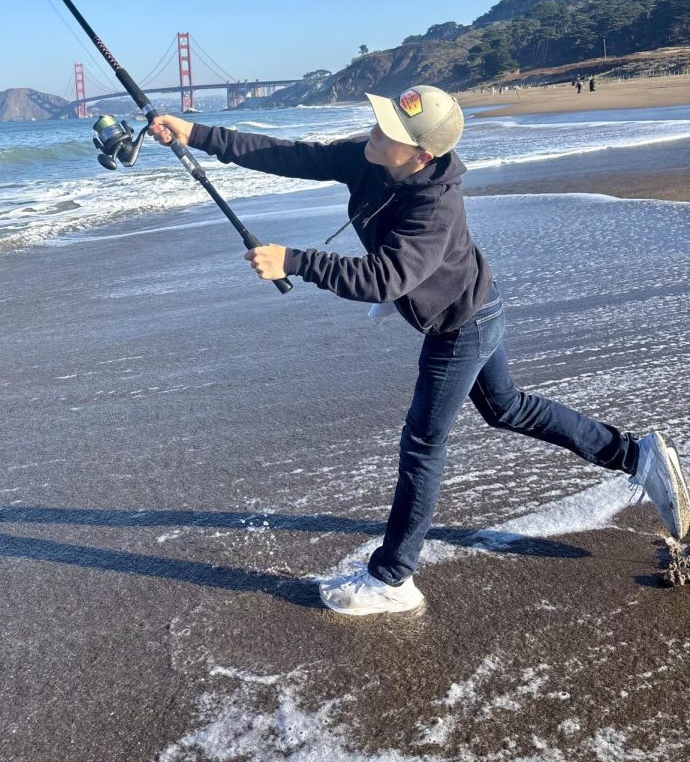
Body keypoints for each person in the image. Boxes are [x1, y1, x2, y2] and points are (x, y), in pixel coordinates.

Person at [150, 87, 690, 616]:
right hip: (472, 304)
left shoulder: (434, 205)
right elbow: (291, 154)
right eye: (381, 121)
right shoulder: (373, 157)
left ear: (421, 154)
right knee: (507, 408)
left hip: (462, 323)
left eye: (390, 132)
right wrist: (194, 132)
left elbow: (385, 278)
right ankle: (636, 456)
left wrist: (293, 260)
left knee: (423, 444)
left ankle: (392, 578)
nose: (375, 132)